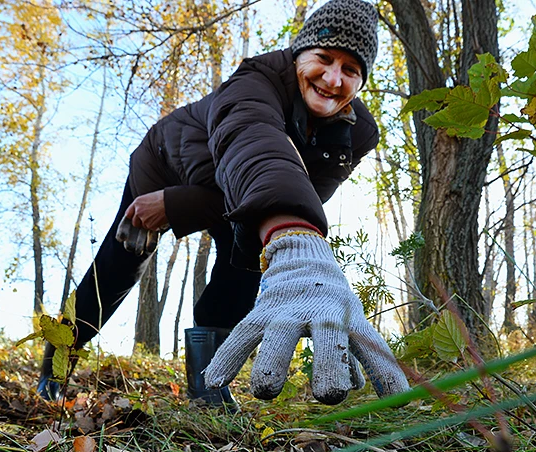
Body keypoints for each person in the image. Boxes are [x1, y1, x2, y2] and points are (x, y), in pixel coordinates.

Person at [37, 0, 409, 408]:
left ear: (360, 82)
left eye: (350, 70)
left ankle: (207, 387)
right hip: (168, 168)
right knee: (115, 271)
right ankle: (54, 368)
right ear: (299, 54)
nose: (333, 78)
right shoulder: (255, 82)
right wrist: (169, 203)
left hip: (225, 192)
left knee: (245, 261)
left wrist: (184, 209)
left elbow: (298, 192)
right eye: (323, 58)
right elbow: (251, 144)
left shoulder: (357, 133)